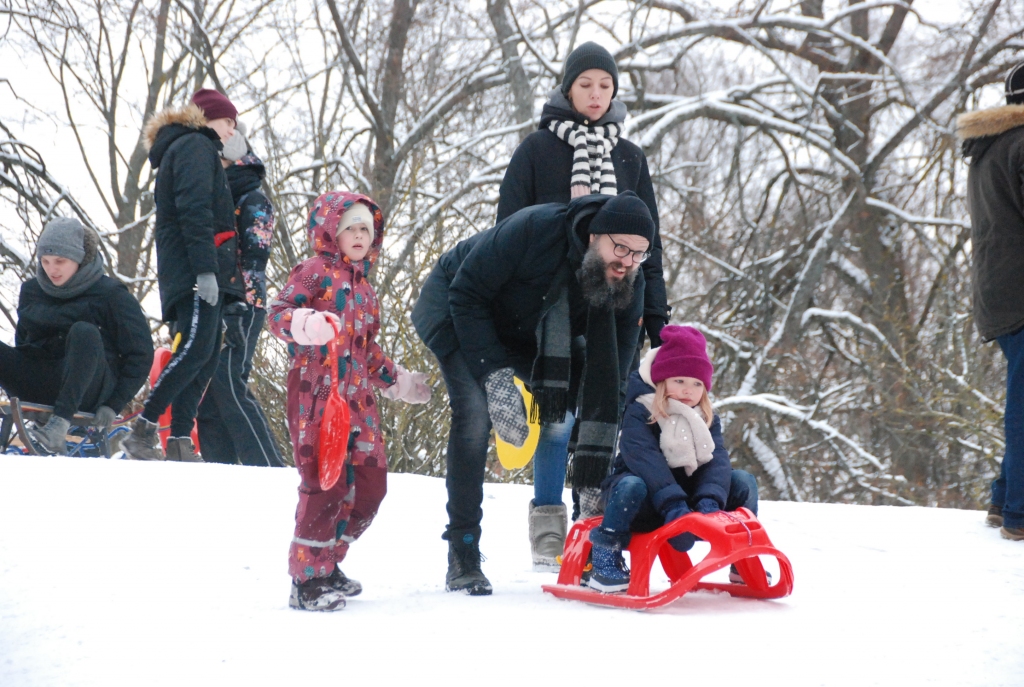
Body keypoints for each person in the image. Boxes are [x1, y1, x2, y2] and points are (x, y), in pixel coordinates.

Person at [412, 191, 653, 594]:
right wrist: (496, 378)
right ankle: (464, 550)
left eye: (639, 254)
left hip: (530, 332)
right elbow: (466, 293)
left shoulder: (628, 280)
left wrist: (602, 444)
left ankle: (594, 544)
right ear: (595, 236)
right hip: (460, 309)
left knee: (595, 406)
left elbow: (615, 373)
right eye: (621, 248)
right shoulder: (534, 229)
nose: (627, 261)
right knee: (474, 412)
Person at [495, 42, 670, 560]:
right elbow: (507, 229)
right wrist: (513, 301)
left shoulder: (630, 157)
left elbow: (650, 241)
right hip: (552, 304)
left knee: (604, 415)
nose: (596, 94)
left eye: (606, 86)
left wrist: (657, 313)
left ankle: (593, 527)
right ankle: (548, 527)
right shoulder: (537, 150)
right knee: (556, 418)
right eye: (586, 84)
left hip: (616, 308)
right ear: (567, 88)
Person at [268, 191, 431, 611]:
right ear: (331, 232)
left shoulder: (367, 292)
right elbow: (278, 312)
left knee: (371, 485)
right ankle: (307, 579)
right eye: (351, 228)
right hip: (317, 394)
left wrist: (401, 384)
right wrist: (304, 323)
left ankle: (329, 561)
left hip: (359, 401)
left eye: (367, 229)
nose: (360, 235)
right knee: (326, 484)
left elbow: (368, 351)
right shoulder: (313, 271)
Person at [122, 88, 246, 462]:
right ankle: (143, 427)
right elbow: (195, 211)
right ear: (209, 118)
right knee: (193, 349)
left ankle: (179, 439)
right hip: (195, 271)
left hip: (203, 272)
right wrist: (206, 271)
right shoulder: (194, 146)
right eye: (228, 122)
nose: (231, 132)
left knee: (205, 355)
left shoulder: (198, 148)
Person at [586, 325, 760, 592]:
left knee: (743, 481)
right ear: (661, 380)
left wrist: (709, 498)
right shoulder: (640, 411)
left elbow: (717, 461)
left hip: (690, 505)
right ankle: (606, 557)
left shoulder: (705, 419)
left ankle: (743, 558)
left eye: (697, 383)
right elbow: (645, 460)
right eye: (679, 380)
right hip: (645, 503)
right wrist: (672, 505)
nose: (688, 390)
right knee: (632, 484)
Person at [0, 217, 153, 454]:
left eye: (60, 261)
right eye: (46, 261)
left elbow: (140, 354)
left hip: (89, 388)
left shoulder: (111, 295)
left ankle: (59, 424)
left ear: (80, 259)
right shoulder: (31, 291)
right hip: (42, 378)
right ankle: (45, 420)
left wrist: (114, 404)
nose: (52, 269)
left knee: (84, 332)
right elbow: (24, 343)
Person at [957, 61, 1024, 541]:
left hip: (1000, 295)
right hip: (1021, 295)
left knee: (1021, 399)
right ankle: (1020, 511)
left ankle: (1005, 500)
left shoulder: (990, 147)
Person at [195, 123, 285, 467]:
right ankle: (222, 470)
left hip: (245, 303)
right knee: (210, 394)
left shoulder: (253, 199)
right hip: (219, 301)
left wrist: (239, 305)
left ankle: (268, 466)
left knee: (226, 377)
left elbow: (255, 257)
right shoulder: (219, 196)